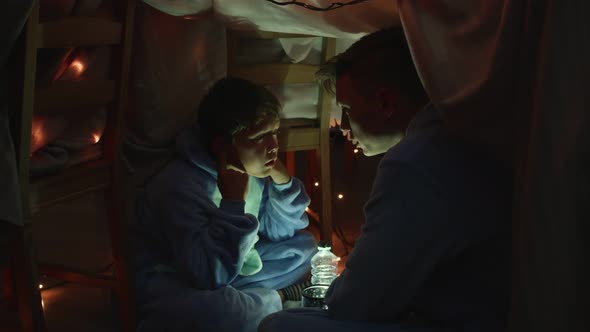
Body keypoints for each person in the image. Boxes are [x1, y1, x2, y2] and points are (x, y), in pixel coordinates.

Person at [259, 27, 512, 332]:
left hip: (456, 321)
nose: (344, 126)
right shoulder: (454, 132)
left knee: (277, 326)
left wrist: (340, 289)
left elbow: (358, 302)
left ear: (386, 102)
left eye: (349, 110)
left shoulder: (413, 164)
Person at [131, 77, 317, 332]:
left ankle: (258, 302)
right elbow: (208, 275)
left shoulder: (249, 169)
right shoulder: (178, 187)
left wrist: (283, 183)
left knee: (304, 250)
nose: (274, 146)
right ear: (222, 147)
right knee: (223, 314)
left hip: (232, 266)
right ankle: (280, 299)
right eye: (260, 137)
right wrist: (232, 202)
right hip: (179, 279)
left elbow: (279, 233)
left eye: (274, 132)